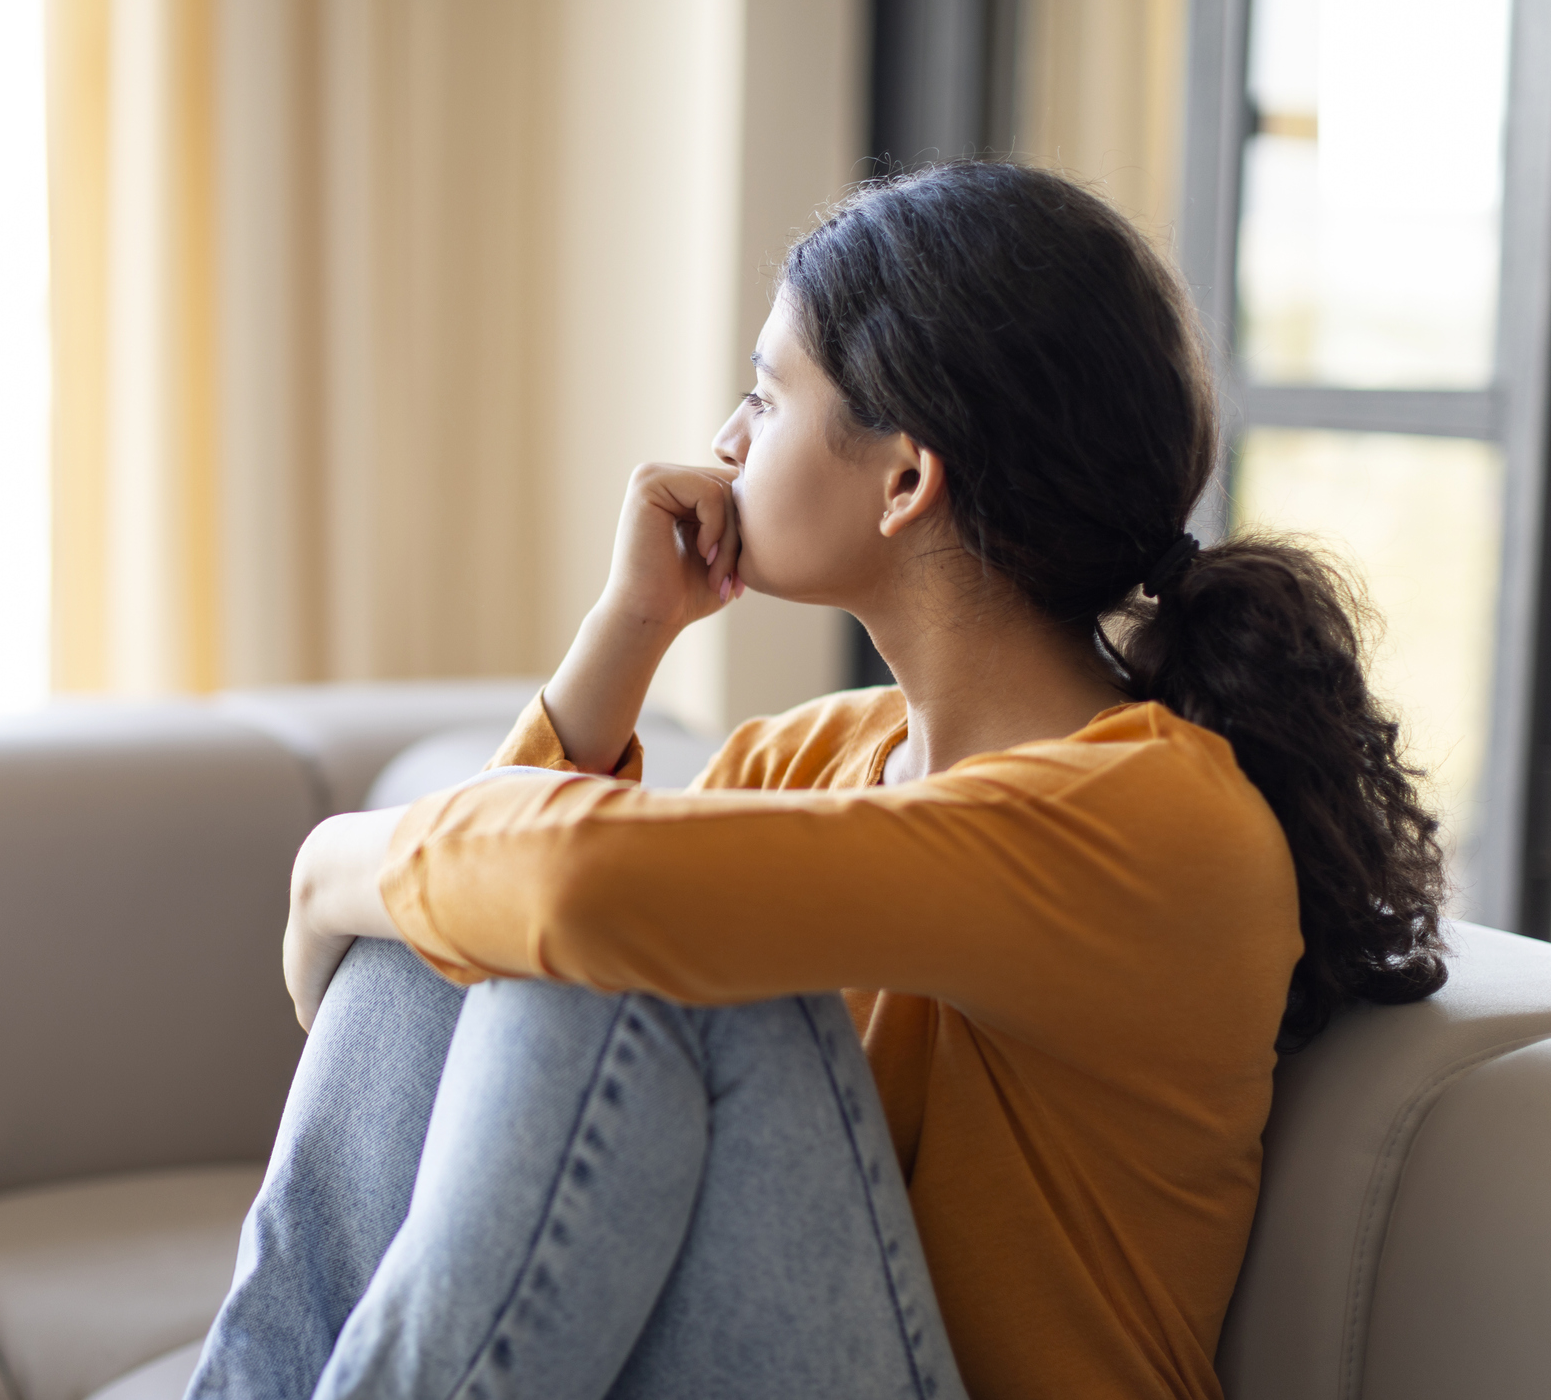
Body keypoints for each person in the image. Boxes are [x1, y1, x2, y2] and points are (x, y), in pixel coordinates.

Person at [182, 161, 1449, 1400]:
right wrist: (629, 627)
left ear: (906, 476)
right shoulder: (815, 756)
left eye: (765, 396)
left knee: (627, 937)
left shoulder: (1155, 815)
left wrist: (326, 866)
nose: (724, 445)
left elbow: (581, 888)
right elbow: (511, 892)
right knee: (504, 921)